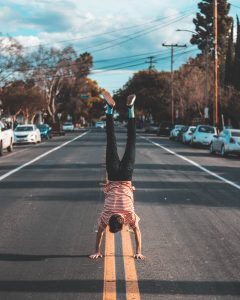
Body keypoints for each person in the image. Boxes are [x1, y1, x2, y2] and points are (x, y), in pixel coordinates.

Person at [89, 91, 145, 260]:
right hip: (113, 174)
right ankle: (109, 109)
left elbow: (137, 232)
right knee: (111, 139)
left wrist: (138, 252)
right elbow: (99, 232)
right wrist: (97, 250)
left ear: (122, 222)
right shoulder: (106, 214)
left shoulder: (128, 214)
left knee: (131, 140)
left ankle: (130, 109)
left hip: (126, 175)